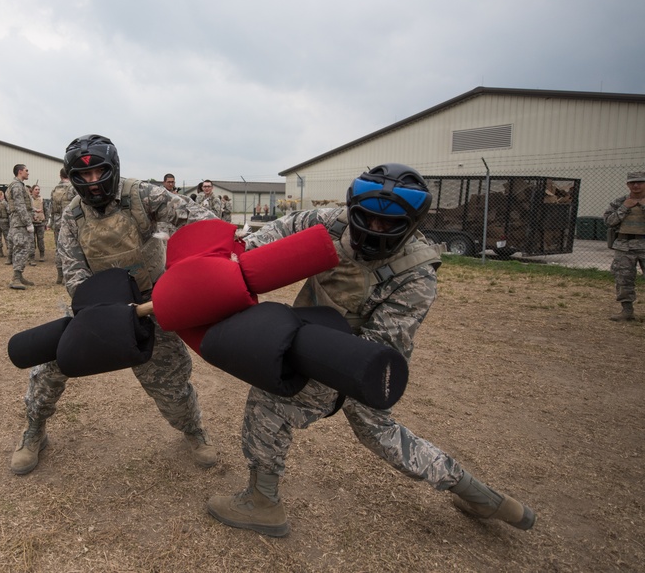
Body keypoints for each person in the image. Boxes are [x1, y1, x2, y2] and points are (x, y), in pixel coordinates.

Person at [206, 163, 536, 537]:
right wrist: (236, 258)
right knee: (381, 433)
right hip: (312, 334)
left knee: (268, 403)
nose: (374, 229)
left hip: (353, 358)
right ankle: (482, 497)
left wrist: (295, 352)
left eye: (387, 224)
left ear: (411, 224)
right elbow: (280, 231)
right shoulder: (332, 222)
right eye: (368, 219)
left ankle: (262, 503)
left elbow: (378, 346)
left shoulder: (416, 275)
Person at [10, 134, 220, 475]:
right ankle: (34, 431)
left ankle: (193, 430)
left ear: (114, 168)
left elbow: (198, 220)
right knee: (48, 368)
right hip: (97, 305)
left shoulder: (142, 195)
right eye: (84, 176)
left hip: (153, 301)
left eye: (99, 173)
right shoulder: (73, 217)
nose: (93, 183)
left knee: (171, 382)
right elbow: (74, 272)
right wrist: (99, 314)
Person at [603, 170, 645, 321]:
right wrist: (624, 208)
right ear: (627, 184)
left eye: (640, 182)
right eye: (632, 183)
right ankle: (627, 311)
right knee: (623, 279)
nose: (636, 185)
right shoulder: (619, 202)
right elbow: (608, 222)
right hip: (624, 246)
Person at [6, 164, 35, 289]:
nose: (28, 173)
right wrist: (28, 223)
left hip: (19, 221)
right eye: (26, 170)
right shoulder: (17, 186)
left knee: (23, 248)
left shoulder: (19, 185)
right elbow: (19, 206)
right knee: (21, 248)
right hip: (20, 223)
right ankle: (16, 278)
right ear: (20, 172)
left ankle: (19, 275)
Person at [49, 169, 76, 284]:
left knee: (58, 248)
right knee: (71, 248)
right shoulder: (73, 188)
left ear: (60, 176)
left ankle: (59, 275)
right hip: (70, 222)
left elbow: (51, 207)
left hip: (57, 222)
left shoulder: (54, 190)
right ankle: (68, 275)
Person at [29, 184, 48, 263]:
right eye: (36, 189)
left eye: (38, 189)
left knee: (40, 240)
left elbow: (46, 210)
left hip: (40, 223)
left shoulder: (42, 199)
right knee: (31, 241)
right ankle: (32, 257)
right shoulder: (29, 200)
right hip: (32, 223)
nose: (37, 191)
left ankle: (42, 255)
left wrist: (46, 222)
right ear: (32, 190)